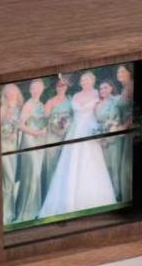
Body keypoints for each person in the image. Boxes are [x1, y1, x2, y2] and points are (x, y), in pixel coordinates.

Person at [38, 70, 116, 219]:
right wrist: (61, 124)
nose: (84, 82)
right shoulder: (75, 96)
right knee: (69, 164)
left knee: (90, 164)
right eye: (82, 80)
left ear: (93, 81)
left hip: (89, 131)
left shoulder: (97, 94)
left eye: (87, 80)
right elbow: (70, 115)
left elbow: (104, 110)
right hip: (74, 132)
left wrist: (104, 128)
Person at [14, 78, 48, 224]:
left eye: (38, 88)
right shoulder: (28, 105)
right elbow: (20, 125)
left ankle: (35, 209)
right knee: (31, 173)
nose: (36, 90)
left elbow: (44, 122)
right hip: (29, 140)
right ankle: (25, 211)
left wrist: (45, 129)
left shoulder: (41, 105)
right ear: (30, 90)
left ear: (42, 89)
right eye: (33, 88)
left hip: (40, 141)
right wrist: (35, 133)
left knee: (36, 174)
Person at [42, 74, 73, 195]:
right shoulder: (50, 102)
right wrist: (56, 130)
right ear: (56, 87)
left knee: (64, 164)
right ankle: (50, 193)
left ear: (67, 87)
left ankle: (63, 193)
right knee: (52, 165)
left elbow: (73, 117)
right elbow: (45, 121)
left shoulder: (70, 100)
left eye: (63, 85)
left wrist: (66, 129)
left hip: (66, 136)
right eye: (59, 85)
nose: (61, 87)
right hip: (52, 137)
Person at [94, 79, 122, 199]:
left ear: (111, 88)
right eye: (100, 88)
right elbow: (96, 123)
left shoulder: (116, 100)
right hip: (102, 141)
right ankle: (109, 196)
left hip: (113, 139)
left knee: (115, 167)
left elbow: (117, 119)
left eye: (105, 87)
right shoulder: (97, 104)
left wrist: (108, 136)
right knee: (106, 168)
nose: (103, 90)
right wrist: (100, 139)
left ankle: (118, 194)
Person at [0, 83, 23, 225]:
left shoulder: (20, 109)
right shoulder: (3, 108)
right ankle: (4, 215)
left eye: (14, 91)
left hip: (15, 148)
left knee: (12, 179)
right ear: (5, 94)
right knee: (8, 179)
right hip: (4, 146)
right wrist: (7, 133)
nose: (12, 94)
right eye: (9, 92)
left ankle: (11, 212)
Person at [115, 64, 135, 202]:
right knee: (124, 164)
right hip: (124, 130)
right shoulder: (124, 88)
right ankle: (125, 197)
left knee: (127, 165)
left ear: (130, 72)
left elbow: (137, 110)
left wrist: (124, 126)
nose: (119, 74)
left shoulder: (132, 86)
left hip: (131, 129)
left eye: (122, 71)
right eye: (118, 72)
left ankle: (129, 198)